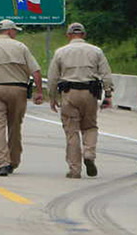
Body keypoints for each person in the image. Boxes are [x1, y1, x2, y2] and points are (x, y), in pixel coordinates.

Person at [0, 19, 43, 176]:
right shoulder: (21, 47)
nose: (15, 33)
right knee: (15, 126)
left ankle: (2, 163)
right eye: (15, 31)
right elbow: (36, 71)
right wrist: (39, 91)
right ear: (10, 31)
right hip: (18, 90)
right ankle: (13, 161)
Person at [48, 22, 114, 178]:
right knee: (90, 126)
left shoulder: (60, 52)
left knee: (72, 131)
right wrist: (108, 94)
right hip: (90, 93)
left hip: (69, 93)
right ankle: (89, 154)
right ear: (84, 35)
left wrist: (52, 97)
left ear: (68, 35)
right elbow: (106, 74)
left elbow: (52, 77)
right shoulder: (96, 51)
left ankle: (75, 169)